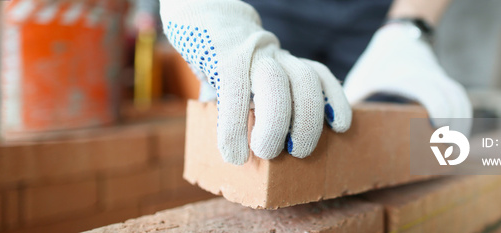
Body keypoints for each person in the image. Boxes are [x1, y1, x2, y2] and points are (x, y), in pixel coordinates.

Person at [159, 0, 472, 165]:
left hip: (381, 12)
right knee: (260, 123)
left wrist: (408, 25)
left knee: (374, 148)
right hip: (267, 8)